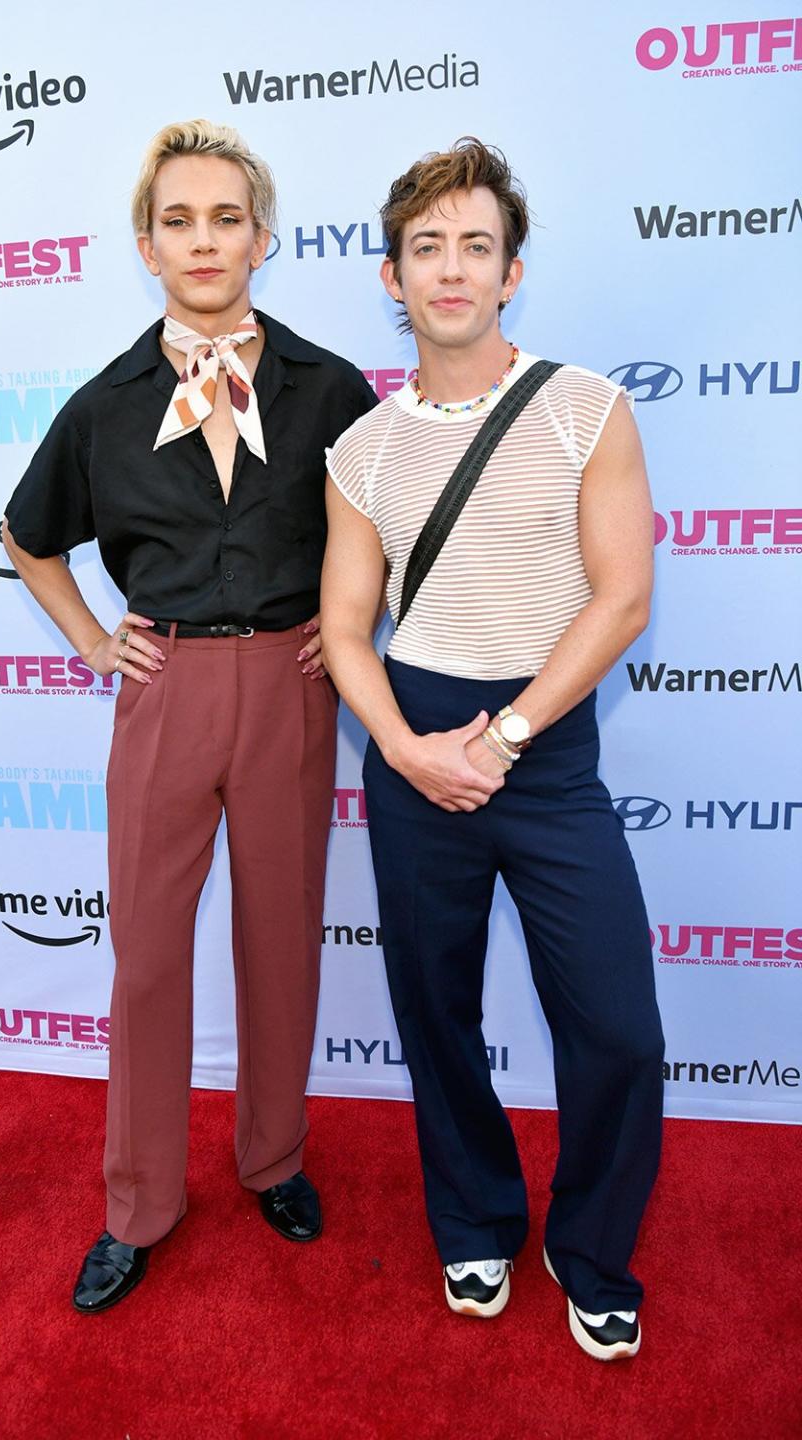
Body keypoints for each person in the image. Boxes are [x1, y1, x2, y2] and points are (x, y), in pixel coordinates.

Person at [3, 119, 376, 1314]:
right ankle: (139, 1204)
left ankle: (274, 1159)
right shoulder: (106, 403)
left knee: (280, 938)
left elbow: (392, 535)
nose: (204, 239)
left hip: (292, 689)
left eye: (226, 217)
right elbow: (30, 534)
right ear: (146, 244)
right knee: (151, 958)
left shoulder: (332, 387)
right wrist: (90, 636)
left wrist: (348, 621)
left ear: (263, 236)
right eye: (180, 219)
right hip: (160, 693)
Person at [321, 138, 664, 1361]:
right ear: (392, 274)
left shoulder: (586, 407)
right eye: (427, 248)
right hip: (414, 752)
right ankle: (473, 1219)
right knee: (435, 1013)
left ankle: (593, 1251)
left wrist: (507, 738)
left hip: (546, 751)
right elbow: (345, 627)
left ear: (512, 271)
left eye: (476, 246)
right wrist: (411, 751)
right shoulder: (360, 450)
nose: (451, 269)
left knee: (617, 1024)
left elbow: (620, 598)